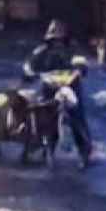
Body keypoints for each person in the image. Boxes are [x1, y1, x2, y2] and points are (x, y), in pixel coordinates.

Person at [22, 20, 93, 167]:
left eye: (60, 40)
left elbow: (81, 61)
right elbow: (29, 65)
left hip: (71, 88)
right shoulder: (42, 51)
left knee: (77, 117)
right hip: (49, 88)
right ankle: (40, 144)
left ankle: (84, 151)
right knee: (42, 114)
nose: (57, 44)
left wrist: (79, 69)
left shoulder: (73, 49)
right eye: (54, 41)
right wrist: (30, 73)